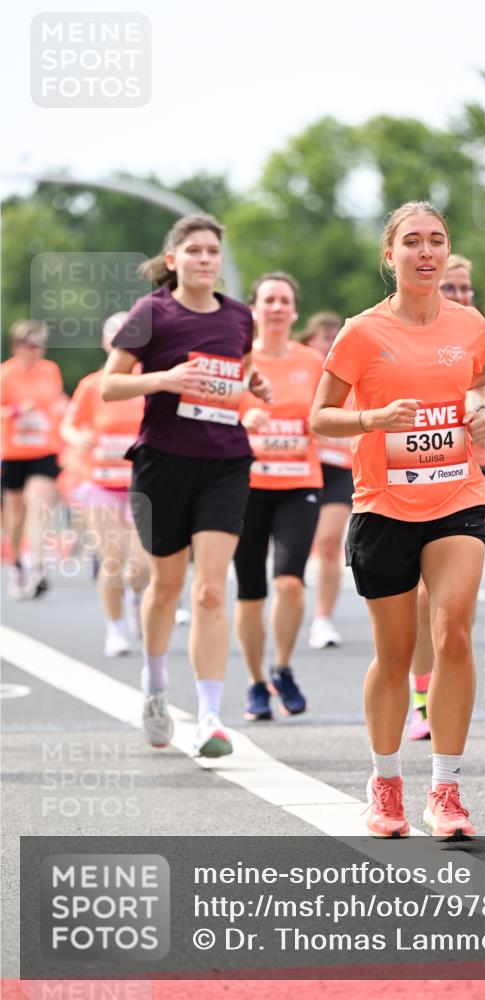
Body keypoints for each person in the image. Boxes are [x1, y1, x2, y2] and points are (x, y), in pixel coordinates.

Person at [311, 201, 485, 838]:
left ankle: (445, 788)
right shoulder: (361, 332)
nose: (425, 252)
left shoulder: (470, 324)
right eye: (412, 242)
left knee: (455, 634)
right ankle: (385, 782)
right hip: (383, 506)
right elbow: (319, 416)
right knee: (393, 657)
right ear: (389, 256)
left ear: (447, 253)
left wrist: (481, 411)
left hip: (457, 496)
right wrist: (372, 421)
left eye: (436, 241)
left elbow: (483, 383)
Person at [101, 213, 270, 756]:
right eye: (194, 250)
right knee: (167, 586)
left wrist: (253, 384)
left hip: (225, 462)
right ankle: (154, 687)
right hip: (163, 461)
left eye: (212, 252)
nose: (204, 259)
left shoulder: (240, 317)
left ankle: (211, 718)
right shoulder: (152, 312)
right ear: (173, 260)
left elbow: (238, 372)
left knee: (210, 590)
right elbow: (110, 385)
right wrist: (165, 380)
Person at [408, 254, 485, 741]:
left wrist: (484, 415)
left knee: (455, 604)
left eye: (466, 288)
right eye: (453, 287)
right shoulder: (401, 331)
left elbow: (483, 393)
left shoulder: (475, 333)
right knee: (422, 599)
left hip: (466, 480)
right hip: (409, 484)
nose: (461, 295)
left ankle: (448, 688)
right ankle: (422, 695)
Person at [234, 273, 323, 721]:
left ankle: (282, 667)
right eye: (268, 299)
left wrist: (319, 423)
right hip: (245, 488)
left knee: (289, 581)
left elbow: (331, 412)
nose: (275, 307)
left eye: (283, 300)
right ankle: (254, 683)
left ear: (294, 312)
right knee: (251, 591)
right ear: (253, 308)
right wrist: (242, 421)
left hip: (298, 485)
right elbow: (210, 414)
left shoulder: (312, 362)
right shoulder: (238, 359)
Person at [61, 312, 150, 657]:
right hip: (102, 485)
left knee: (142, 565)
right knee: (111, 561)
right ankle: (115, 629)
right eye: (114, 339)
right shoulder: (91, 385)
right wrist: (77, 437)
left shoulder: (148, 382)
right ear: (105, 344)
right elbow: (67, 425)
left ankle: (138, 596)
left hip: (143, 486)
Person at [1, 320, 65, 599]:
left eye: (41, 345)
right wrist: (15, 411)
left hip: (44, 449)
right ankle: (17, 566)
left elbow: (56, 402)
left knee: (38, 501)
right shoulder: (5, 374)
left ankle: (37, 566)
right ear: (17, 347)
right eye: (31, 345)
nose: (37, 351)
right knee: (16, 516)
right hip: (14, 451)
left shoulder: (51, 371)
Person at [300, 311, 351, 650]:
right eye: (324, 337)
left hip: (339, 468)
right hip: (301, 468)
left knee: (330, 541)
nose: (331, 344)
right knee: (303, 544)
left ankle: (322, 618)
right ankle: (290, 600)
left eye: (336, 337)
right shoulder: (299, 367)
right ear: (309, 341)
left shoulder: (348, 371)